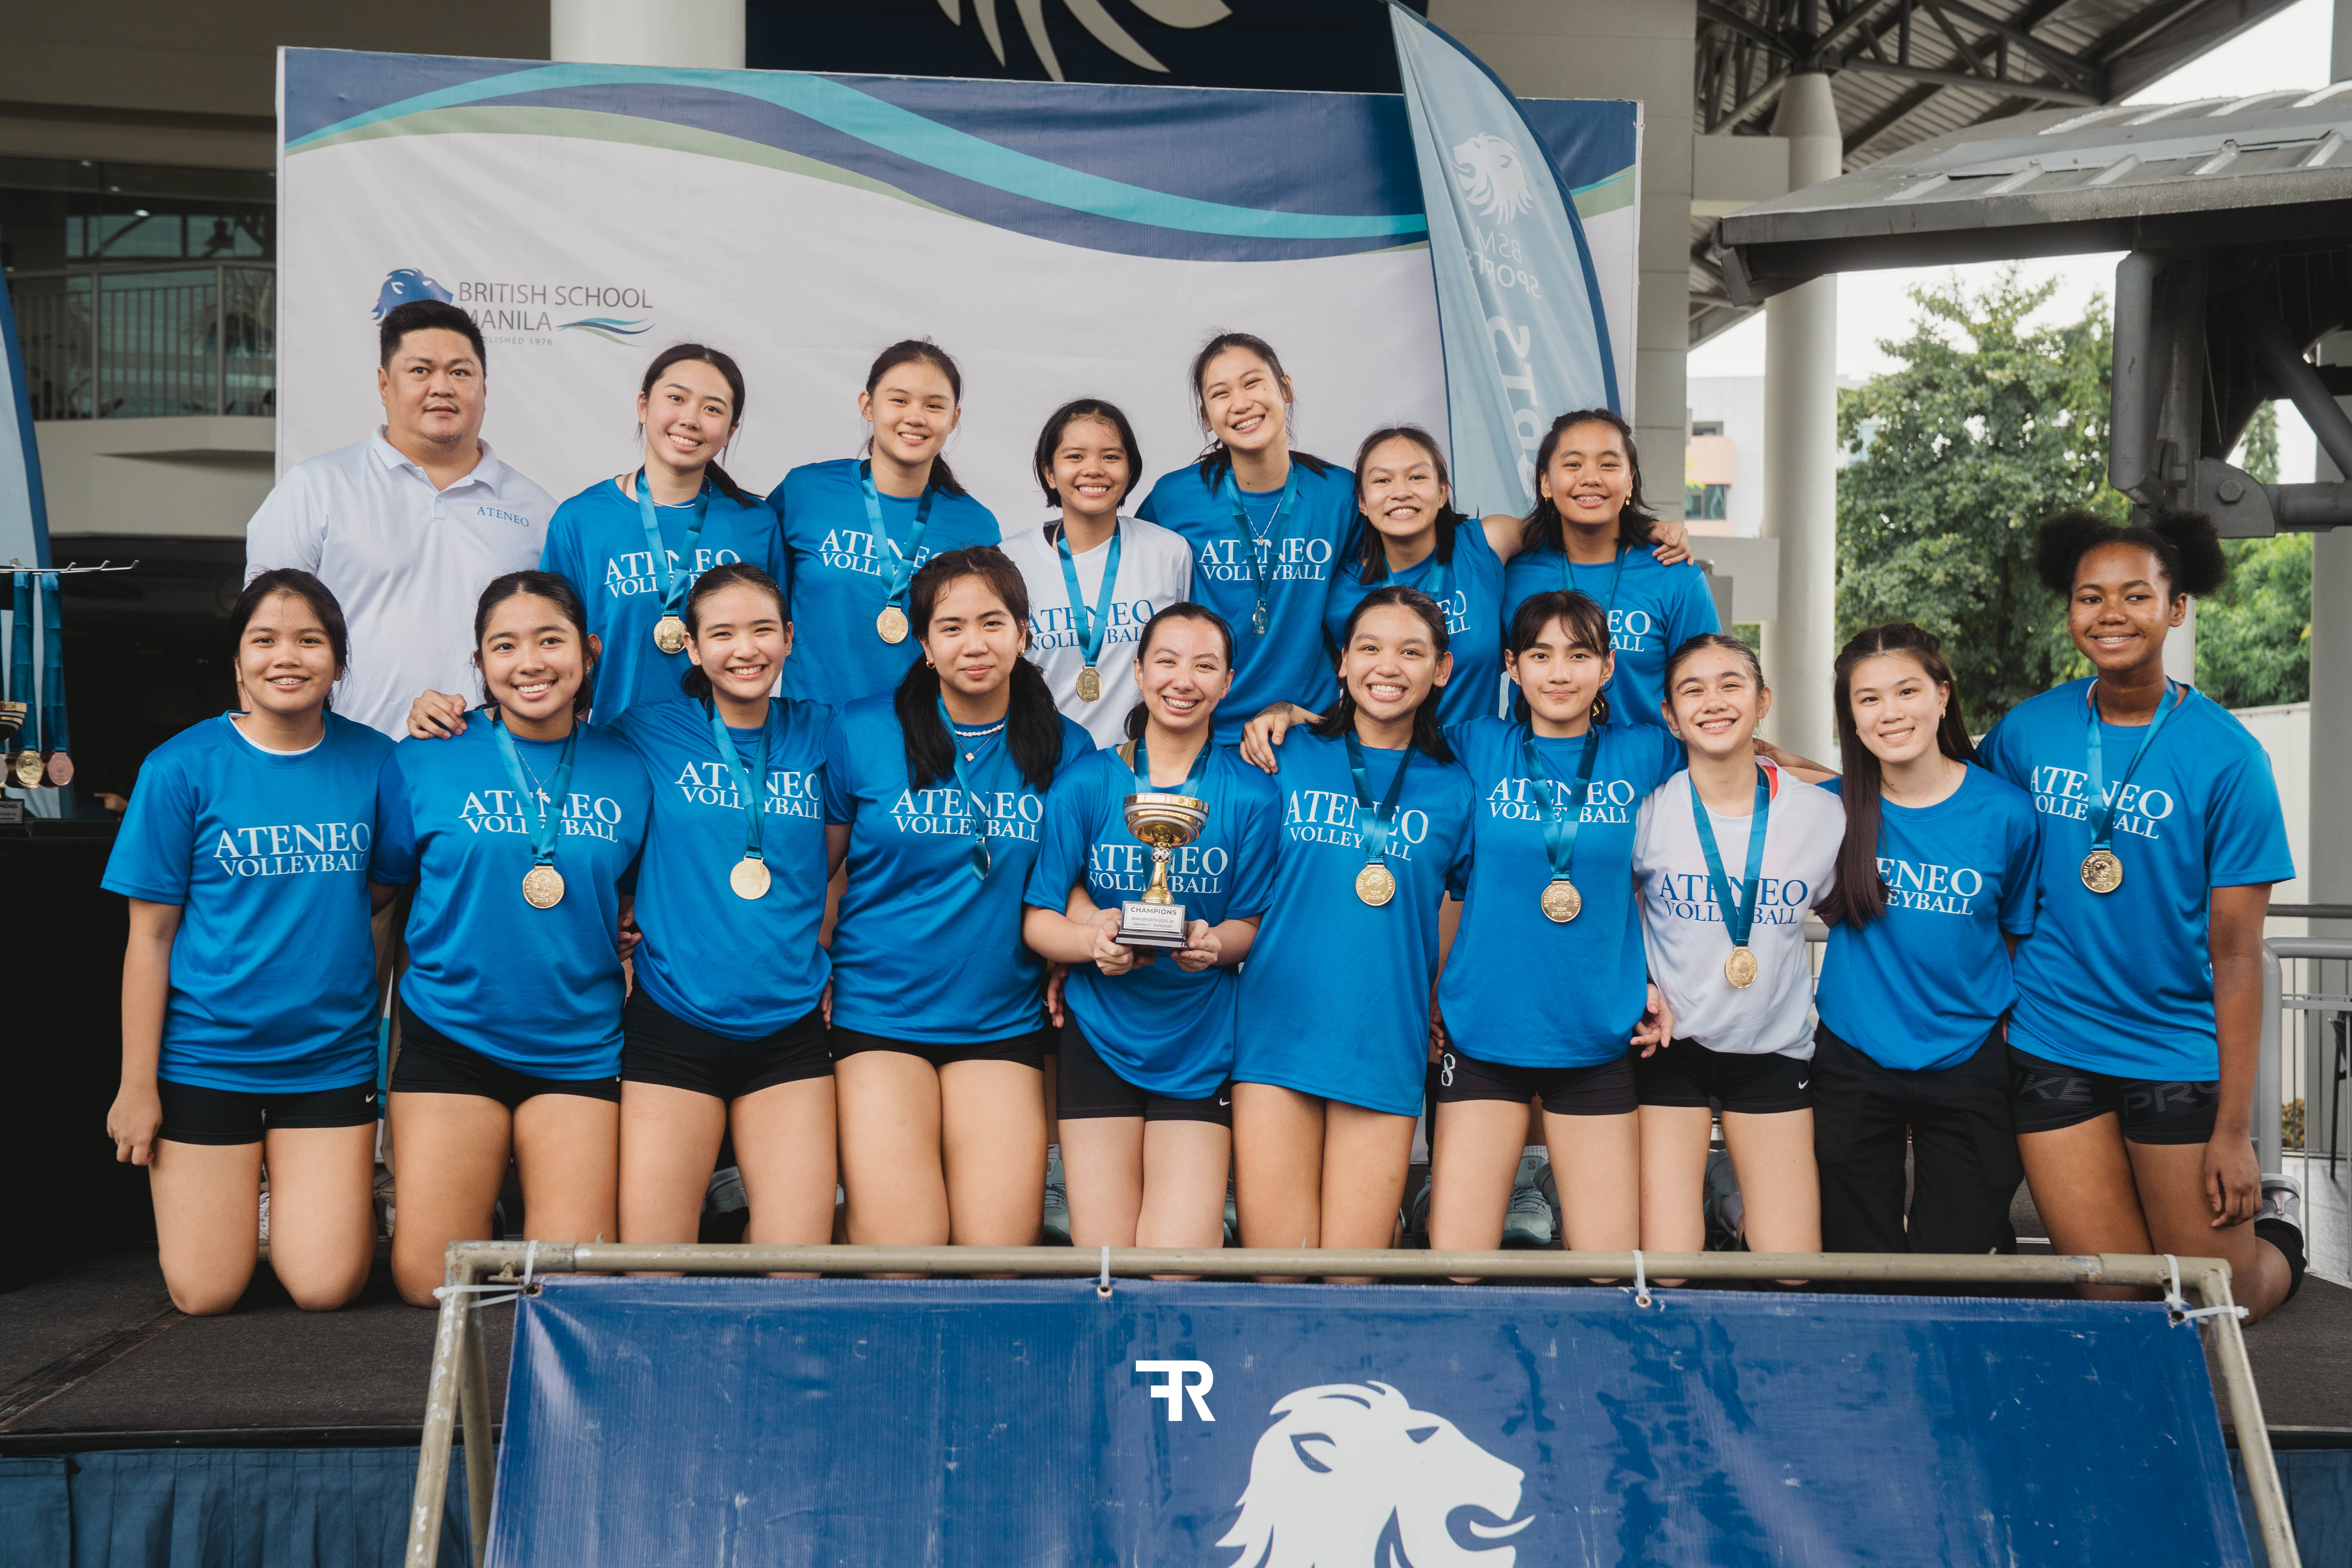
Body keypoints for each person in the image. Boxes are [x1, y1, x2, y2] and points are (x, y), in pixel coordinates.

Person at [1977, 509, 2303, 1321]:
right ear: (2069, 610)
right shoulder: (2029, 730)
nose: (2110, 614)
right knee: (2112, 1293)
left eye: (2134, 595)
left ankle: (2284, 1243)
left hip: (2170, 1048)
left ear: (2176, 607)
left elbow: (2234, 957)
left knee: (2212, 1299)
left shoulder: (2227, 756)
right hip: (2052, 1035)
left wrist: (2234, 1132)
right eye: (2090, 597)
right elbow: (1940, 800)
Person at [102, 571, 392, 1314]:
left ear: (337, 661)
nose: (285, 657)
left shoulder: (376, 761)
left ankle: (298, 1213)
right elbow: (150, 937)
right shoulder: (179, 768)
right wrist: (138, 1086)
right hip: (207, 1058)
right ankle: (246, 1209)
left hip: (328, 1061)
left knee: (324, 1287)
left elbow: (384, 898)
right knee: (206, 1293)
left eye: (309, 640)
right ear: (237, 662)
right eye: (263, 640)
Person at [369, 572, 651, 1306]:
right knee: (432, 1283)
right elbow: (381, 899)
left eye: (550, 640)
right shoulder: (424, 758)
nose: (530, 662)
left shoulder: (628, 766)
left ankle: (507, 1200)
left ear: (588, 652)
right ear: (479, 664)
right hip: (452, 1037)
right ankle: (478, 1197)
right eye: (505, 645)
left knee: (571, 1287)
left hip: (578, 1045)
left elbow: (637, 894)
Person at [822, 547, 1094, 1246]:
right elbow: (819, 873)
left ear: (1023, 633)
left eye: (992, 622)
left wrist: (1083, 944)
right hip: (879, 1013)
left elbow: (1073, 885)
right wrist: (811, 970)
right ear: (923, 645)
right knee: (899, 1257)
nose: (973, 644)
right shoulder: (861, 729)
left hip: (1000, 1020)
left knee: (999, 1259)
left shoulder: (1070, 749)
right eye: (950, 627)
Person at [1425, 591, 1681, 1255]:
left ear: (1606, 666)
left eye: (1578, 654)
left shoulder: (1645, 754)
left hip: (1596, 1033)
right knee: (1458, 1265)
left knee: (1605, 1268)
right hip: (1484, 1030)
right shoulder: (1475, 744)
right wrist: (1281, 715)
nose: (1559, 672)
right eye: (1539, 654)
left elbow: (1738, 775)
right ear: (1511, 665)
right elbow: (1374, 740)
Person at [1230, 586, 1475, 1273]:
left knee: (1352, 1274)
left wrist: (1436, 994)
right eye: (1368, 647)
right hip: (1276, 1037)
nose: (1386, 665)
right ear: (1341, 662)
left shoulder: (1455, 786)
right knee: (1277, 1271)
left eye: (1410, 651)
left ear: (1442, 669)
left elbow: (1453, 897)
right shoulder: (1283, 753)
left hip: (1382, 1040)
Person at [1022, 604, 1280, 1250]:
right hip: (1101, 1036)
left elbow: (1248, 922)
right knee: (1104, 1257)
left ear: (1227, 681)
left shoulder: (1251, 794)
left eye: (1204, 665)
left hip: (1202, 1041)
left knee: (1176, 1261)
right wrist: (1092, 943)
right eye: (1165, 660)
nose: (1182, 679)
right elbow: (1039, 918)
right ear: (1138, 671)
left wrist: (1214, 945)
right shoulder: (1086, 782)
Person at [604, 564, 835, 1247]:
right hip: (672, 1023)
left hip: (788, 1030)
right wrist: (450, 715)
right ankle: (718, 1181)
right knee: (653, 1268)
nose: (746, 649)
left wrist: (829, 947)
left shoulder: (826, 733)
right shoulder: (641, 733)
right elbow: (544, 751)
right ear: (693, 647)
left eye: (763, 630)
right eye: (723, 633)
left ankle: (732, 1183)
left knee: (794, 1272)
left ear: (789, 638)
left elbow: (858, 847)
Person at [406, 344, 782, 731]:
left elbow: (781, 647)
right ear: (643, 405)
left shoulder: (756, 523)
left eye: (713, 409)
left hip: (725, 761)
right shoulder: (581, 520)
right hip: (615, 751)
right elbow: (545, 650)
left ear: (731, 429)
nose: (690, 419)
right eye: (676, 398)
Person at [1809, 624, 2038, 1256]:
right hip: (1853, 1053)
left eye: (1907, 690)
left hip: (1968, 1056)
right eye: (1869, 699)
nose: (1891, 713)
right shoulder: (1829, 811)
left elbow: (2013, 934)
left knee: (1952, 1268)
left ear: (1942, 695)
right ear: (1850, 716)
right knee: (1860, 1267)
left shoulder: (2008, 813)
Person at [243, 298, 556, 738]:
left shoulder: (539, 511)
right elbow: (260, 639)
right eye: (421, 371)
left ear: (484, 387)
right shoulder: (315, 488)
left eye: (460, 372)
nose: (442, 387)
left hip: (488, 772)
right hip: (344, 760)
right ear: (384, 384)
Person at [1630, 633, 1842, 1266]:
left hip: (1772, 1047)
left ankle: (1731, 1194)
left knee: (1792, 1270)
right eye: (1691, 689)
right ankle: (1712, 1191)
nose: (1713, 701)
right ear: (1669, 715)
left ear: (1762, 701)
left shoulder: (1822, 816)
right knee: (1668, 1269)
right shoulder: (1648, 812)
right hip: (1672, 1046)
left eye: (1731, 684)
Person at [1132, 332, 1357, 742]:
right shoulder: (1174, 499)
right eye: (1221, 394)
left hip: (1306, 728)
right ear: (1206, 417)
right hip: (1201, 731)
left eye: (1253, 383)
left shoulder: (1340, 494)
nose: (1240, 403)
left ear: (1285, 388)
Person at [769, 340, 1003, 711]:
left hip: (921, 734)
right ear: (867, 405)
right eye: (899, 400)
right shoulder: (805, 492)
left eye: (934, 405)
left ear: (954, 418)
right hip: (809, 731)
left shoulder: (974, 525)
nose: (916, 417)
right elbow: (759, 606)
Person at [1498, 410, 1717, 733]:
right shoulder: (1509, 574)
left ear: (1630, 480)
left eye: (1609, 464)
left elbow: (1709, 690)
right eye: (1573, 464)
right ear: (1545, 481)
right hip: (1532, 776)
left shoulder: (1673, 575)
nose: (1591, 478)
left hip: (1648, 775)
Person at [998, 398, 1194, 748]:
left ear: (1130, 469)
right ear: (1049, 472)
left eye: (1111, 456)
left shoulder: (1168, 552)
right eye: (1075, 457)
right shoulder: (1010, 560)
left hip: (1141, 764)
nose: (1094, 469)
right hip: (1042, 762)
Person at [1322, 426, 1505, 728]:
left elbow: (1565, 525)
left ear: (1443, 492)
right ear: (1362, 502)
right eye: (1382, 480)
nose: (1401, 492)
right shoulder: (1339, 592)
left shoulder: (1485, 546)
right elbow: (1325, 688)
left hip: (1475, 763)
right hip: (1385, 766)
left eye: (1417, 477)